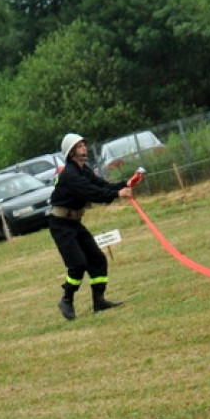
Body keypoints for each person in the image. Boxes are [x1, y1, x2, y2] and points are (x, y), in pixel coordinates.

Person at [49, 133, 139, 321]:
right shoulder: (70, 175)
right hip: (61, 225)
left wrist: (125, 184)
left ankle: (99, 301)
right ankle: (66, 300)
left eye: (84, 145)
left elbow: (102, 185)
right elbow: (93, 193)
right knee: (78, 264)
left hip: (74, 222)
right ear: (71, 152)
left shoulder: (84, 170)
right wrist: (117, 194)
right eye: (80, 146)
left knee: (97, 259)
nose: (84, 148)